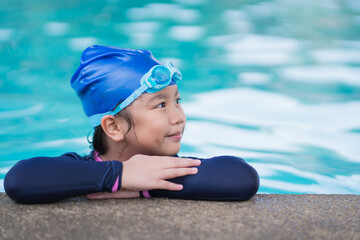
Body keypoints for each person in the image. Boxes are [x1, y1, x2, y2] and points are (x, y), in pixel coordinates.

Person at [4, 45, 259, 204]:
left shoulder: (172, 168)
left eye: (177, 101)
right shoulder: (79, 168)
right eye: (161, 105)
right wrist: (119, 175)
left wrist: (145, 187)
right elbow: (20, 179)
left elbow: (242, 177)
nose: (179, 116)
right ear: (113, 127)